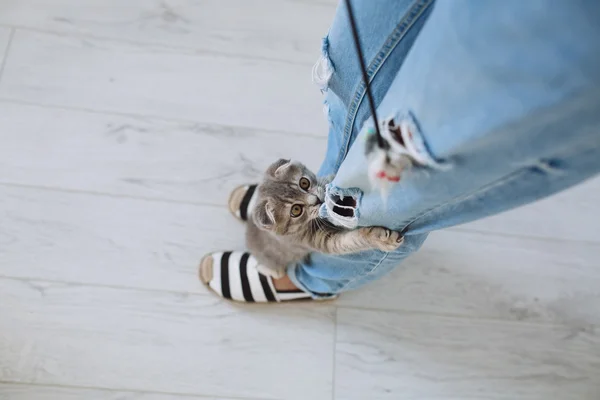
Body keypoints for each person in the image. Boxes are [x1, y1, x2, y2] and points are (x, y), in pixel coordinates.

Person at [199, 0, 600, 302]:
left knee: (403, 175)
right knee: (354, 72)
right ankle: (326, 186)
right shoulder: (305, 193)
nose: (314, 193)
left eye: (305, 184)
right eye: (303, 198)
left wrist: (366, 234)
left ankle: (316, 280)